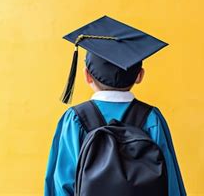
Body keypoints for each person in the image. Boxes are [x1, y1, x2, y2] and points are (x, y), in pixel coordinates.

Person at [44, 15, 187, 196]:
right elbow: (171, 184)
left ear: (87, 75)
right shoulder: (151, 118)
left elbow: (61, 184)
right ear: (140, 76)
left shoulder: (75, 119)